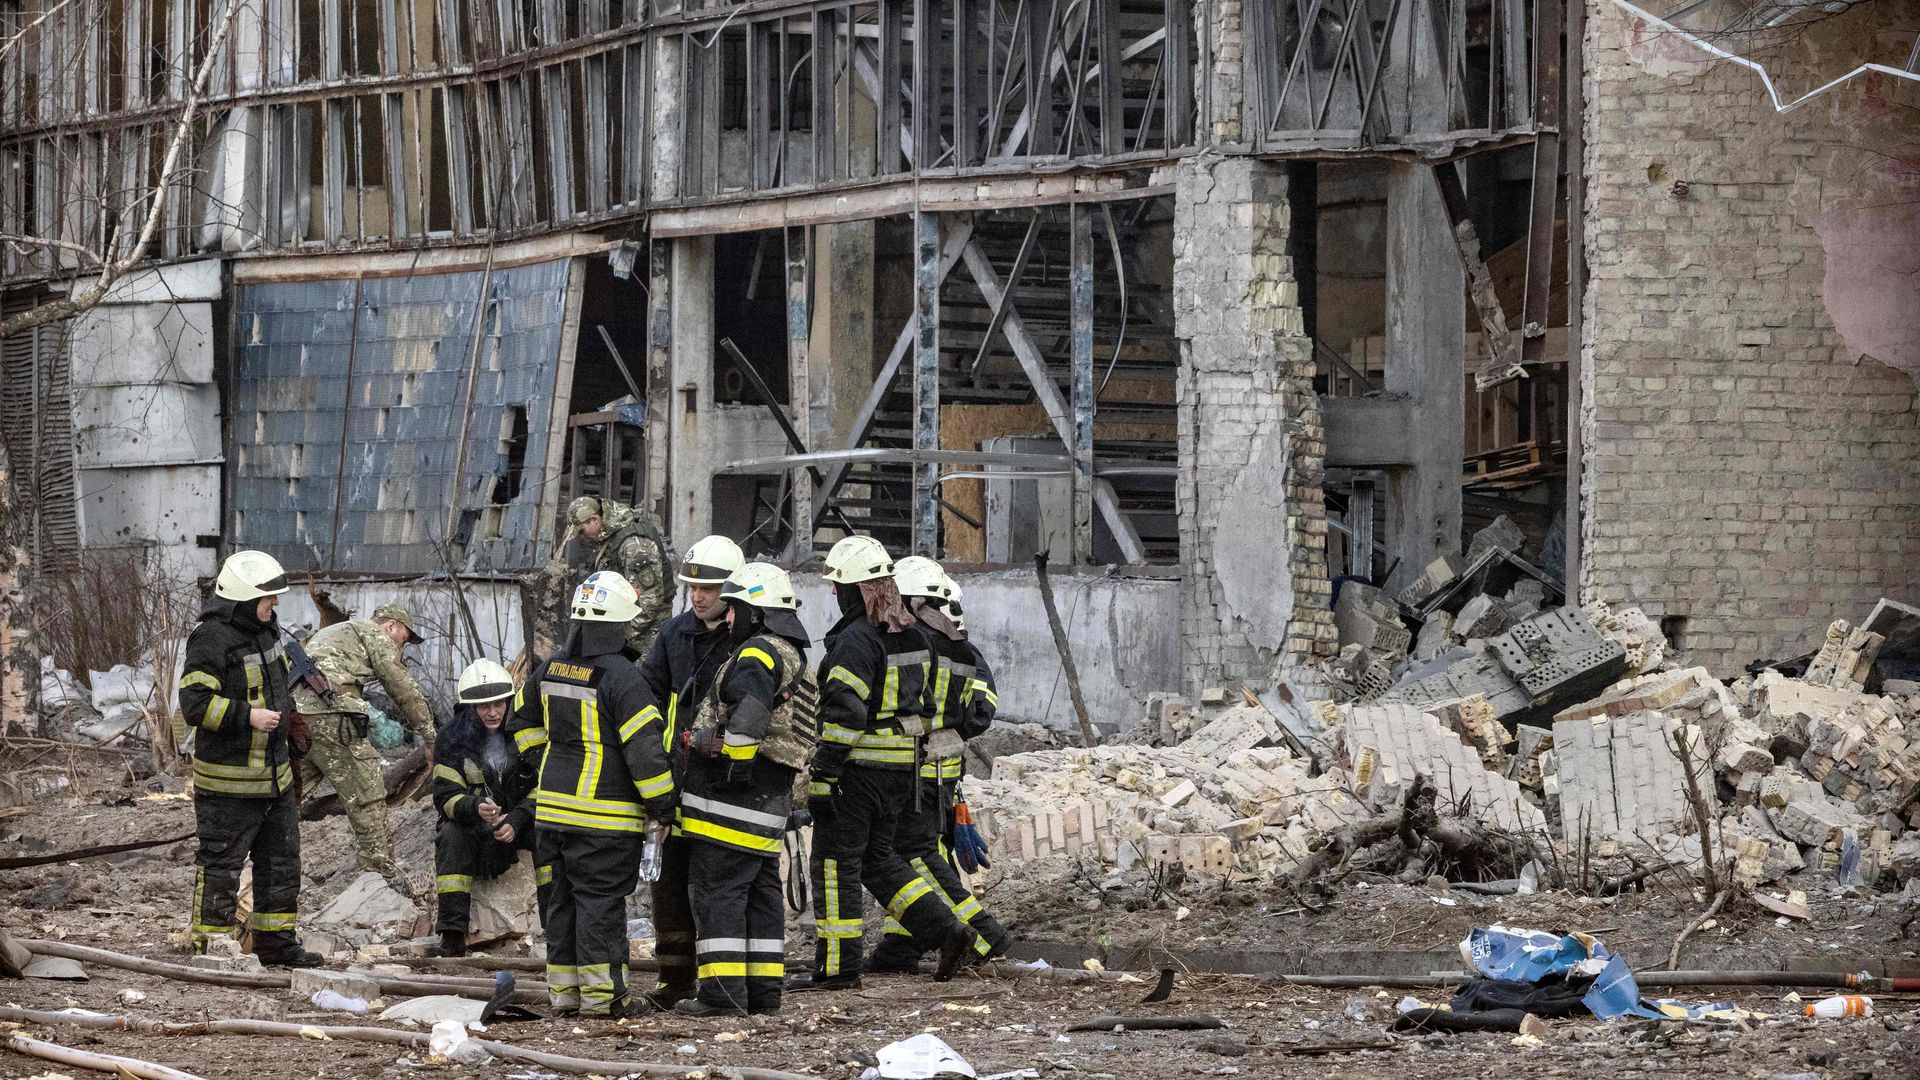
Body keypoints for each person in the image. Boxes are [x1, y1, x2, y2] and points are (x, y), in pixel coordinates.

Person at [788, 536, 975, 992]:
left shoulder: (855, 640)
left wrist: (825, 774)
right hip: (902, 773)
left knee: (834, 866)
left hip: (857, 771)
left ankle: (837, 969)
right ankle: (947, 930)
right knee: (879, 862)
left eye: (838, 587)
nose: (835, 594)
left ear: (856, 590)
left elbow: (845, 716)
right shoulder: (915, 634)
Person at [508, 571, 675, 1017]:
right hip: (604, 820)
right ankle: (605, 1001)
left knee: (561, 905)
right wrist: (663, 806)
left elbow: (519, 723)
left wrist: (544, 761)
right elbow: (645, 754)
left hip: (551, 816)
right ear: (620, 625)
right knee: (599, 908)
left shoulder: (550, 668)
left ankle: (565, 998)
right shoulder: (624, 678)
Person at [674, 562, 816, 1017]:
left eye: (734, 609)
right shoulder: (792, 654)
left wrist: (722, 759)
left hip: (733, 802)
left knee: (717, 894)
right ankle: (762, 993)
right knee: (759, 895)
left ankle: (721, 994)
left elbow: (749, 719)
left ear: (756, 611)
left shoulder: (756, 653)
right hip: (768, 801)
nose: (727, 618)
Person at [177, 550, 320, 968]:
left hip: (275, 779)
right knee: (221, 867)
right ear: (243, 598)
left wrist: (290, 721)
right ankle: (212, 948)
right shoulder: (211, 638)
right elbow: (194, 703)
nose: (274, 605)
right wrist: (247, 717)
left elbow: (275, 688)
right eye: (267, 599)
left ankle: (276, 946)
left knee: (281, 864)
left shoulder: (266, 630)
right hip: (229, 784)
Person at [867, 558, 1011, 974]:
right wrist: (950, 730)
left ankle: (982, 935)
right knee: (915, 861)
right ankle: (900, 948)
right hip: (942, 775)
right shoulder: (962, 647)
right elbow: (983, 709)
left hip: (913, 774)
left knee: (914, 859)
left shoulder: (909, 644)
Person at [634, 534, 746, 1009]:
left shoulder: (747, 640)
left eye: (710, 588)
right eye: (693, 587)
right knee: (669, 881)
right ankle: (673, 978)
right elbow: (646, 692)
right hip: (674, 776)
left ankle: (716, 982)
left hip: (722, 780)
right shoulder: (675, 633)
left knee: (710, 883)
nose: (699, 596)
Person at [290, 603, 436, 895]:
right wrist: (429, 735)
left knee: (288, 792)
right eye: (404, 639)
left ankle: (253, 861)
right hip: (333, 715)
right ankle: (382, 878)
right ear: (391, 626)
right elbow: (399, 683)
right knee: (368, 795)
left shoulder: (331, 633)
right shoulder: (374, 633)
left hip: (297, 716)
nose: (401, 648)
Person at [429, 659, 541, 958]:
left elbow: (547, 786)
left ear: (509, 701)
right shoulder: (452, 739)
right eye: (483, 706)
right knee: (451, 835)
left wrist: (517, 820)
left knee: (552, 835)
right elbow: (445, 798)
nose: (492, 712)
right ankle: (452, 935)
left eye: (498, 704)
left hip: (524, 821)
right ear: (470, 708)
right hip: (477, 825)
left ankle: (555, 930)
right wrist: (475, 807)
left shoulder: (528, 731)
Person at [567, 496, 674, 657]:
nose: (582, 536)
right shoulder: (611, 537)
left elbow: (650, 601)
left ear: (595, 520)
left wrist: (619, 635)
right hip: (624, 634)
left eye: (582, 530)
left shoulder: (633, 544)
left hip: (646, 638)